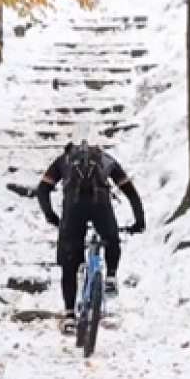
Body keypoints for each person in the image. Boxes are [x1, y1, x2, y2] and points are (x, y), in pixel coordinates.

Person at [36, 133, 146, 333]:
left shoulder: (64, 160)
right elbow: (130, 191)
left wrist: (51, 216)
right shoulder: (105, 159)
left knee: (69, 264)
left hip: (72, 211)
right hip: (101, 207)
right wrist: (139, 221)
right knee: (111, 238)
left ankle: (69, 314)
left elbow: (42, 189)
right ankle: (111, 276)